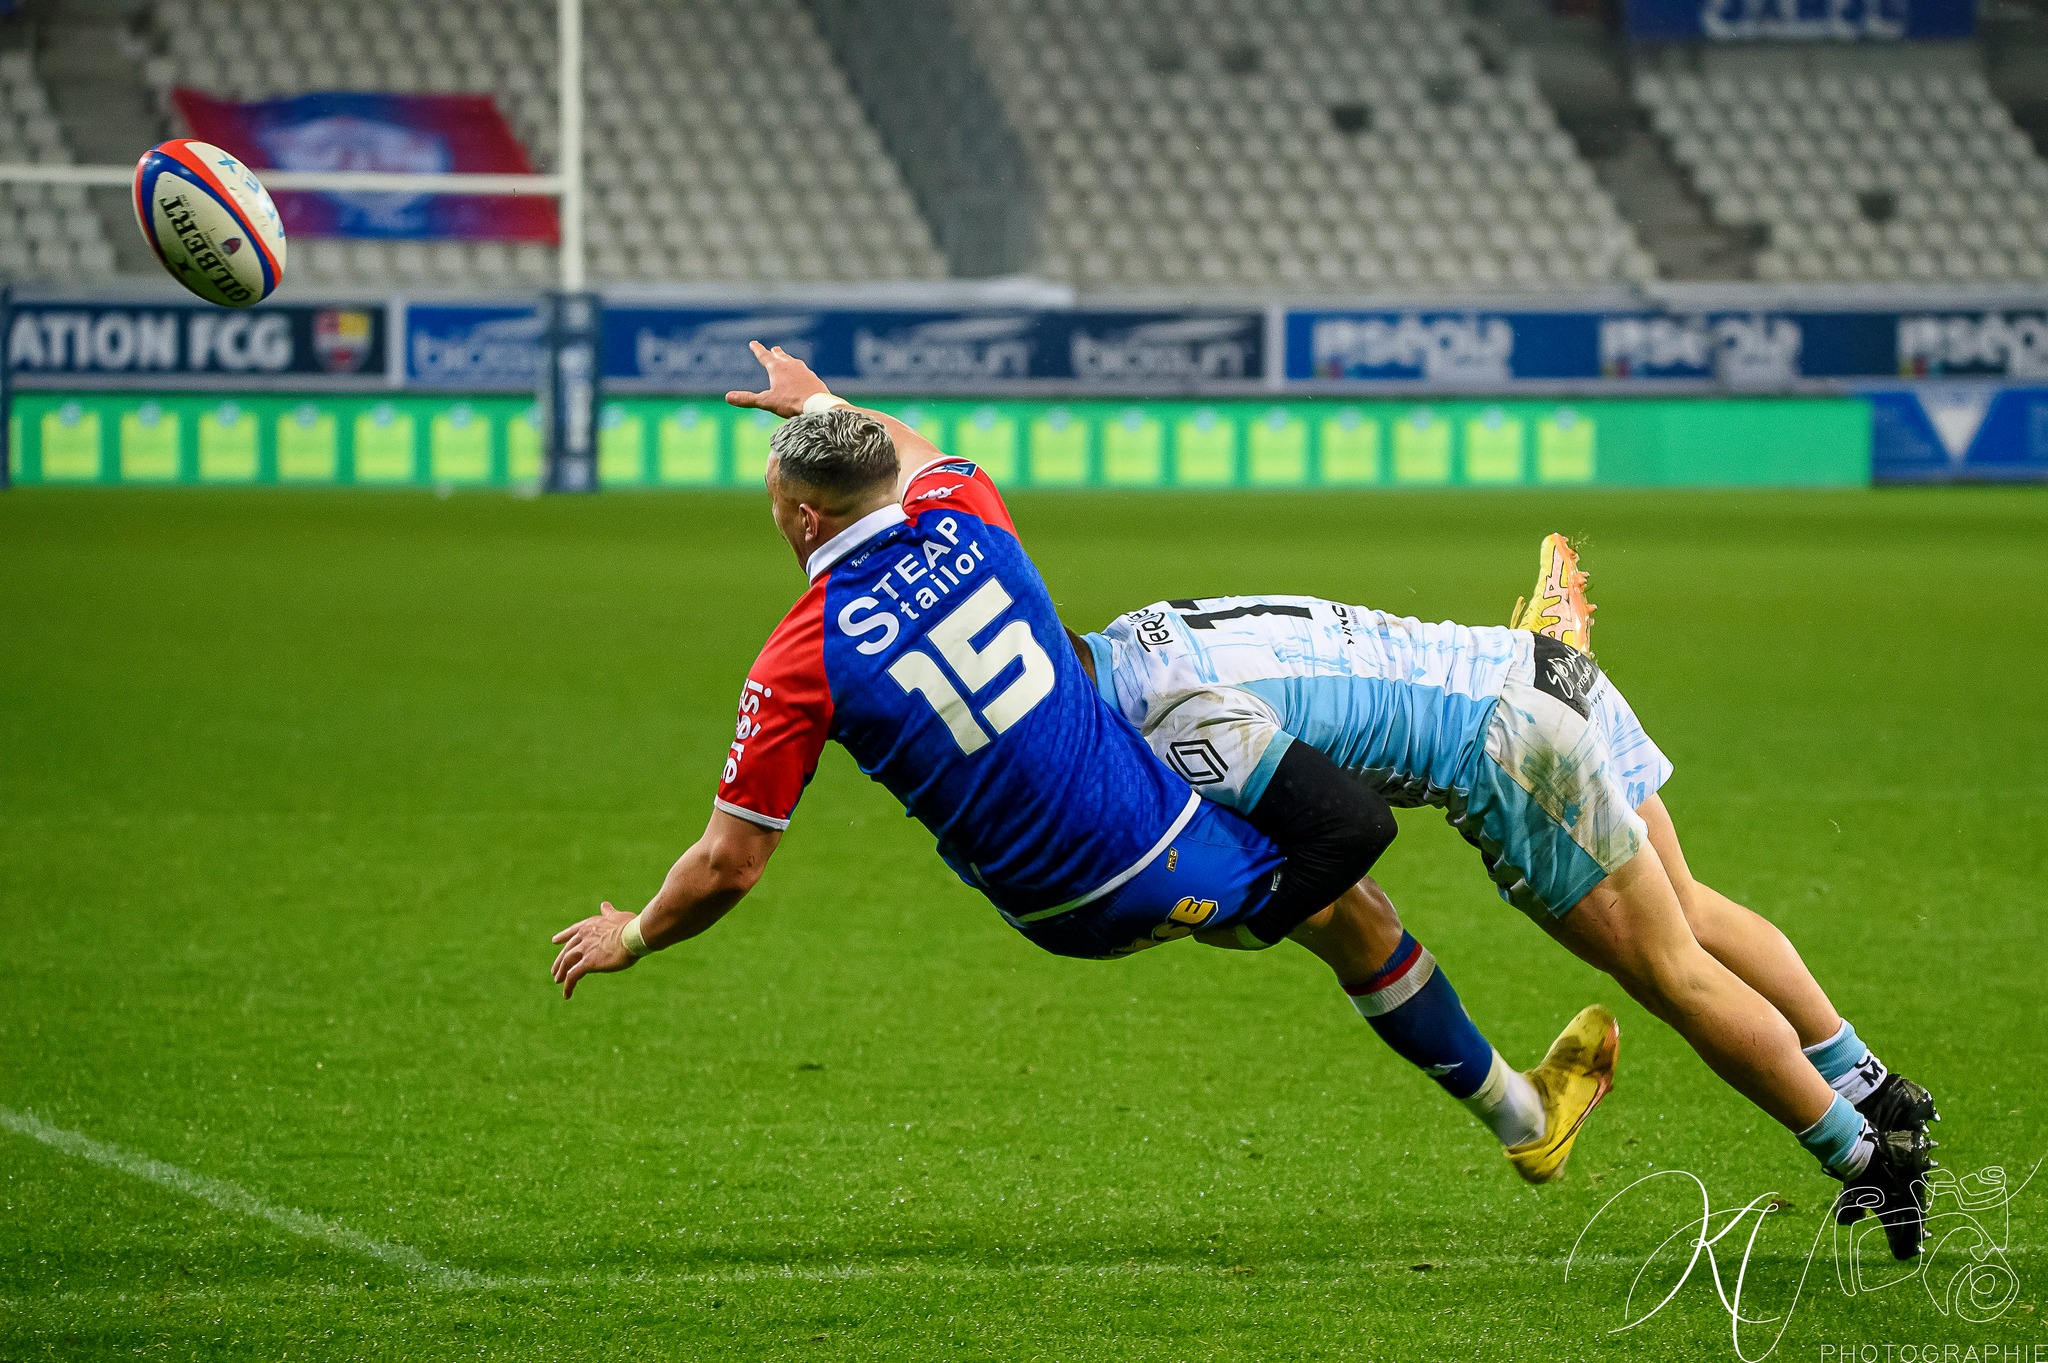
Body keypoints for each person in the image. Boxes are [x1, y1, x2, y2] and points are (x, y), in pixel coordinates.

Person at [549, 344, 1616, 1184]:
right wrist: (826, 400)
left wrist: (634, 934)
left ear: (795, 512)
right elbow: (910, 445)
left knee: (1307, 877)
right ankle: (1520, 1112)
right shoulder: (965, 510)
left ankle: (1507, 1102)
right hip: (1145, 845)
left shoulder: (795, 661)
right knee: (1350, 896)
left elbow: (729, 863)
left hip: (1040, 905)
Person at [1075, 555, 1942, 1259]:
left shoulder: (1168, 721)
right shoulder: (1139, 634)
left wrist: (1253, 920)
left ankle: (1866, 1156)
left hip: (1513, 744)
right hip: (1535, 665)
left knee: (1672, 970)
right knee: (1690, 909)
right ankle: (1870, 1080)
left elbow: (1350, 830)